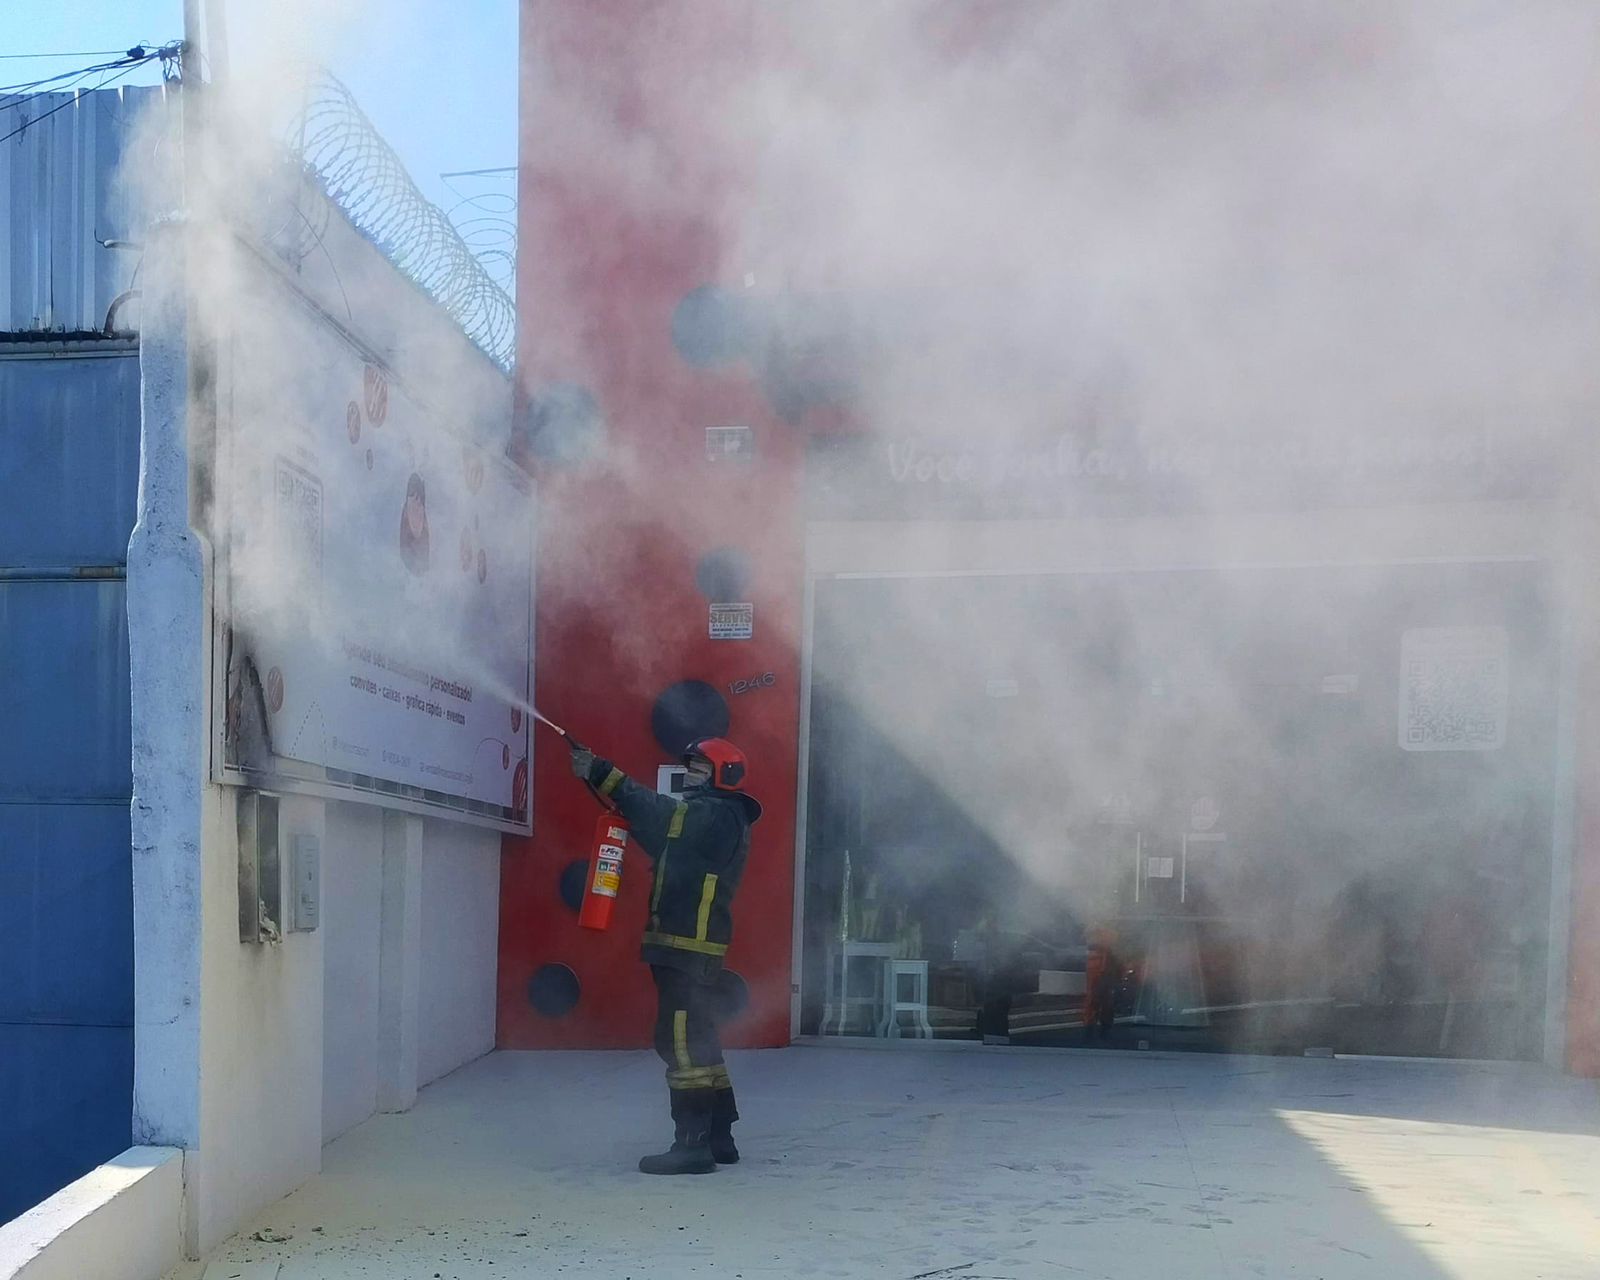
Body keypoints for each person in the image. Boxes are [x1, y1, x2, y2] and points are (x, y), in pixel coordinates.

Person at [570, 736, 762, 1175]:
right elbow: (666, 841)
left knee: (679, 1039)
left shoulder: (714, 813)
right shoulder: (715, 819)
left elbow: (664, 814)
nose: (688, 775)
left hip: (686, 945)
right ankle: (719, 1136)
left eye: (697, 768)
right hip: (688, 945)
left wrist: (601, 771)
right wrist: (626, 818)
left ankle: (690, 1144)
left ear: (722, 774)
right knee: (701, 1036)